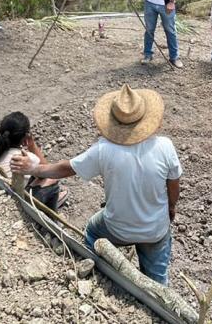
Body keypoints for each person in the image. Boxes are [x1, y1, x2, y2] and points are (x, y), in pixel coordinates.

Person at [11, 85, 182, 284]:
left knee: (92, 230)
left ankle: (99, 270)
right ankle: (158, 295)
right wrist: (170, 207)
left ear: (113, 121)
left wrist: (34, 169)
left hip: (117, 228)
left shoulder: (103, 150)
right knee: (158, 277)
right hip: (155, 230)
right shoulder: (165, 146)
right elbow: (174, 185)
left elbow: (66, 168)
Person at [0, 112, 68, 211]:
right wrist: (32, 145)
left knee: (33, 176)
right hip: (15, 202)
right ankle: (51, 212)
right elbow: (47, 171)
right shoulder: (25, 157)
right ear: (25, 136)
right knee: (52, 180)